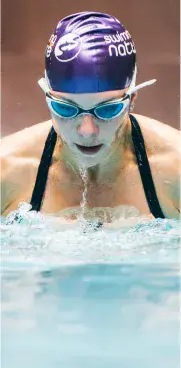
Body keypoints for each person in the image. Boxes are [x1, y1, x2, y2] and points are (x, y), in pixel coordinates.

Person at [1, 11, 180, 225]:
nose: (87, 131)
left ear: (132, 99)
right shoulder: (7, 171)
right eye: (65, 109)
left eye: (107, 110)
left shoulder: (174, 170)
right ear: (46, 98)